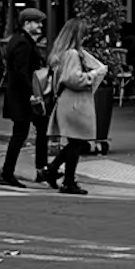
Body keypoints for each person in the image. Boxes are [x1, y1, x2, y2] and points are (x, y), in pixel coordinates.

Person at [43, 18, 106, 194]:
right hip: (75, 102)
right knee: (76, 142)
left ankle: (55, 171)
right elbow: (73, 79)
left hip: (68, 101)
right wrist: (93, 74)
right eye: (84, 34)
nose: (85, 38)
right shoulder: (72, 54)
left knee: (74, 142)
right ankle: (66, 180)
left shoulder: (63, 53)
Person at [0, 7, 49, 187]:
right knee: (21, 134)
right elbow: (21, 73)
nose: (40, 26)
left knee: (37, 128)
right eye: (37, 22)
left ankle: (39, 170)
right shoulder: (22, 43)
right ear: (27, 23)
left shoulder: (21, 40)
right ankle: (8, 173)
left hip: (20, 95)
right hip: (22, 97)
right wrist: (34, 94)